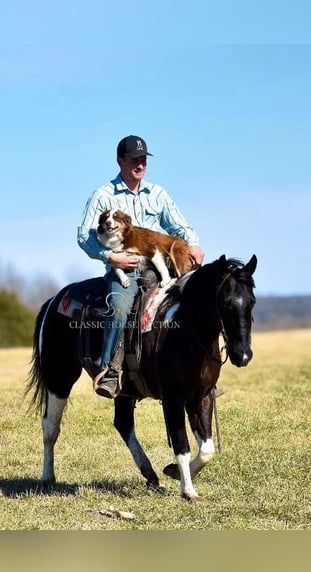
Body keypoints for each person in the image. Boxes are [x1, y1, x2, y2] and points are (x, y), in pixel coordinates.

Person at [77, 135, 205, 398]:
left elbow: (179, 226)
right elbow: (84, 236)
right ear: (120, 161)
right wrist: (111, 258)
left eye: (143, 159)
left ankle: (199, 368)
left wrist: (192, 244)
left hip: (161, 265)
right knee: (121, 306)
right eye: (134, 160)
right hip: (127, 268)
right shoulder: (103, 196)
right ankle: (110, 370)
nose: (140, 164)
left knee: (198, 298)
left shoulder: (158, 194)